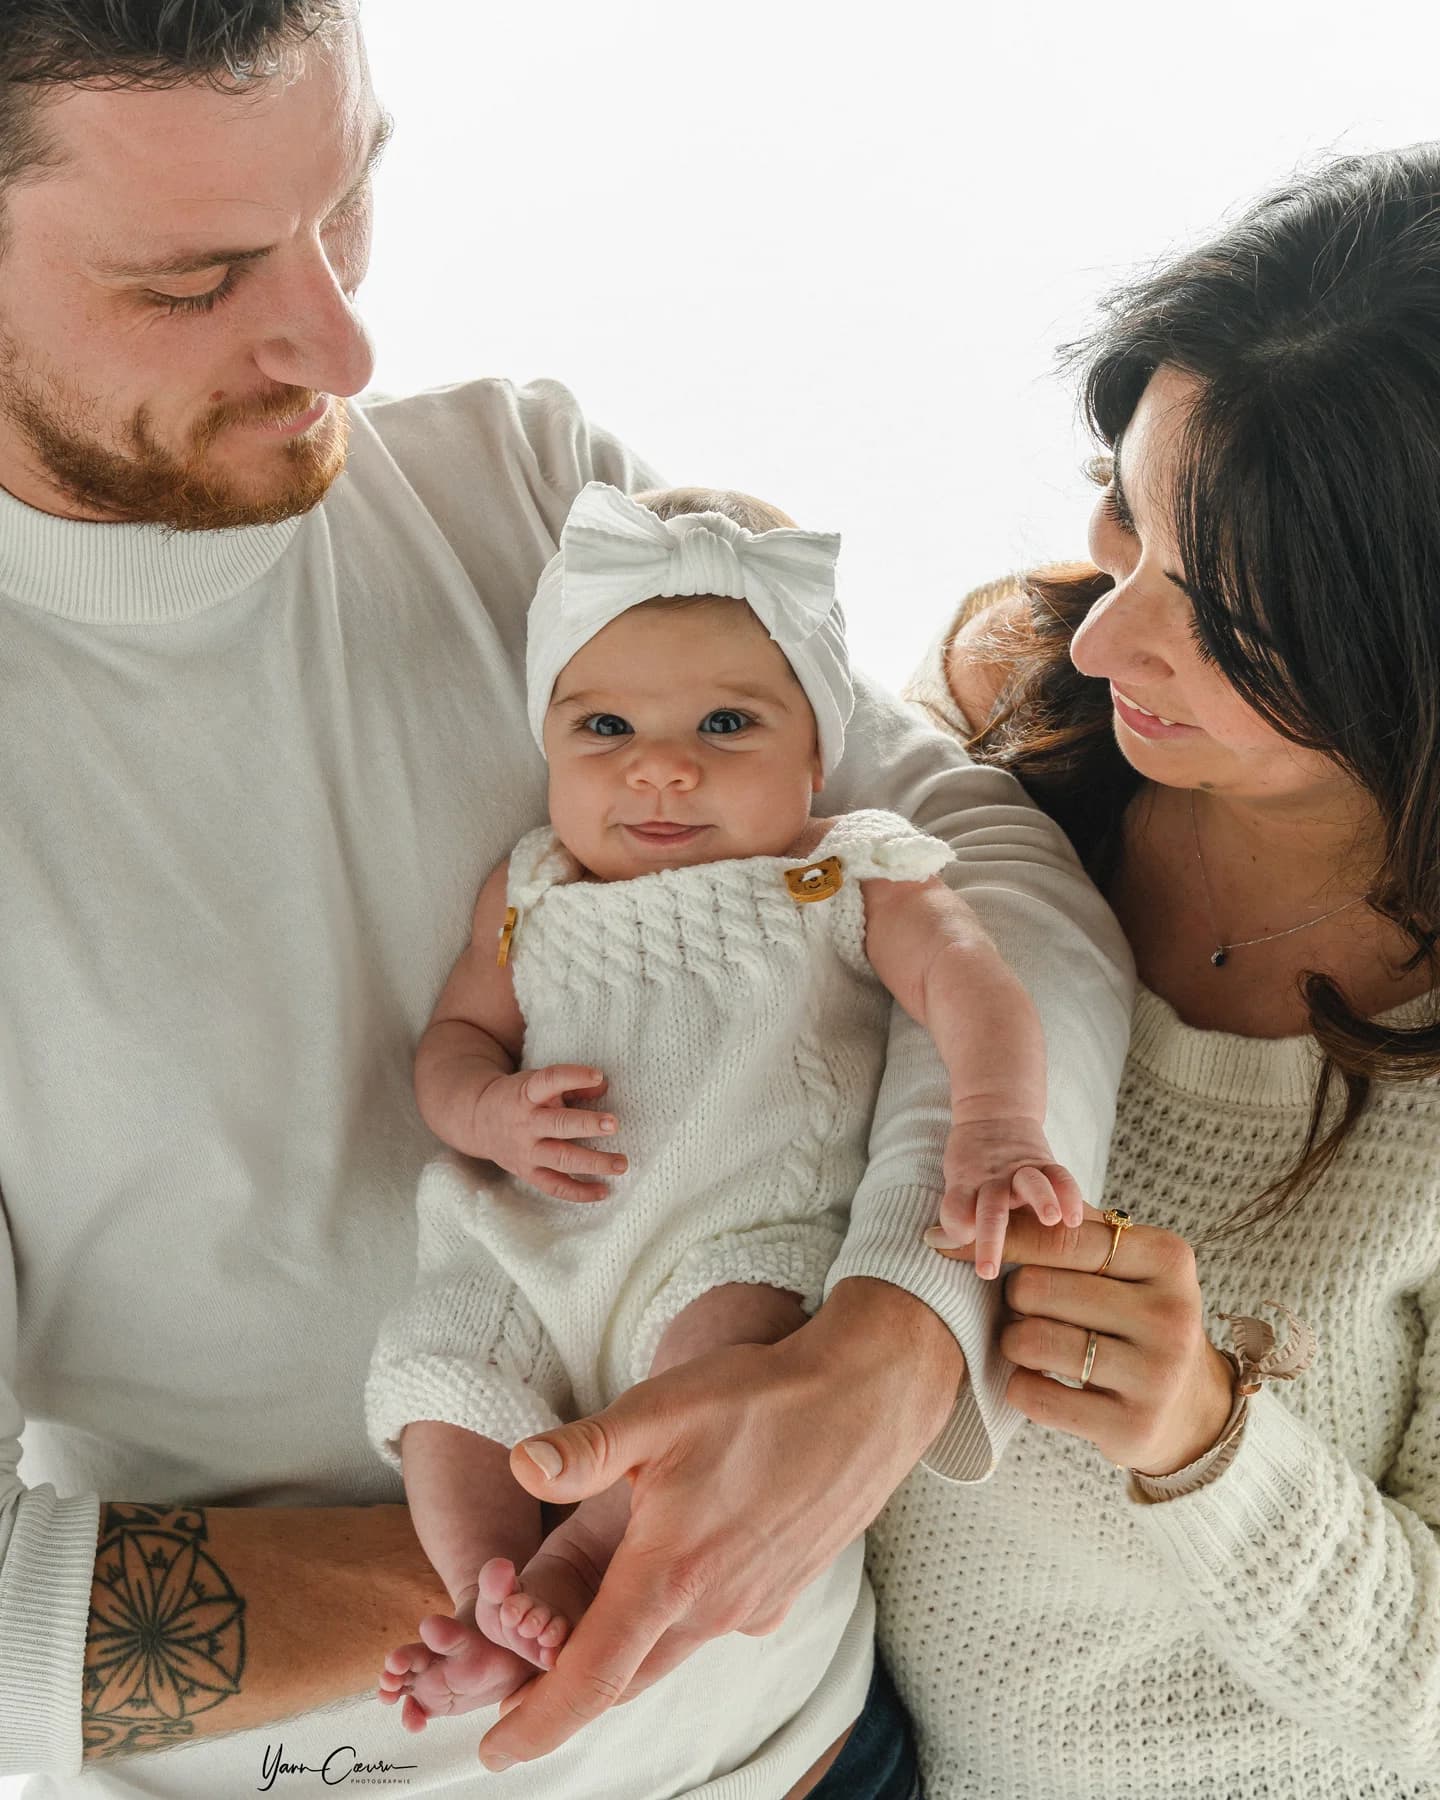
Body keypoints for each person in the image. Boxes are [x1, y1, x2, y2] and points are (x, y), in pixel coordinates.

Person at [0, 5, 1134, 1796]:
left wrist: (896, 1342)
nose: (344, 343)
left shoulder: (537, 502)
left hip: (819, 1753)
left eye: (348, 204)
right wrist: (579, 1565)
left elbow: (981, 876)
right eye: (194, 280)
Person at [877, 145, 1440, 1797]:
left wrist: (1206, 1436)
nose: (1110, 637)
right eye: (1127, 511)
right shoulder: (1013, 715)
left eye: (1223, 616)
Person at [365, 481, 1082, 1739]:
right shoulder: (529, 886)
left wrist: (998, 1126)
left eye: (725, 722)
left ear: (816, 754)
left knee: (729, 1359)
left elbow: (976, 982)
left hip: (735, 1237)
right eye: (602, 726)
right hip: (535, 1241)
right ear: (547, 745)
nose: (662, 763)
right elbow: (453, 1042)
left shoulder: (843, 871)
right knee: (442, 1376)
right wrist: (488, 1112)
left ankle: (580, 1566)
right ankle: (484, 1589)